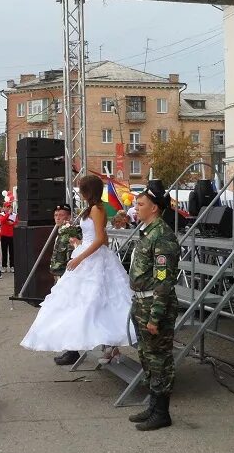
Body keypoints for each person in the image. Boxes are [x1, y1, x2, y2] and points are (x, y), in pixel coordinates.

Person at [20, 175, 133, 357]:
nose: (80, 193)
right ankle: (90, 345)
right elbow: (96, 238)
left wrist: (80, 257)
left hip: (91, 256)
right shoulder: (92, 208)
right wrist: (79, 245)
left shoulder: (97, 209)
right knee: (82, 299)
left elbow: (100, 239)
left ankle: (103, 343)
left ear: (89, 191)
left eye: (82, 189)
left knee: (93, 299)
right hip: (86, 251)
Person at [126, 180, 181, 432]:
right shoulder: (147, 231)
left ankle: (162, 412)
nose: (136, 208)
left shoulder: (163, 236)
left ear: (155, 208)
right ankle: (153, 406)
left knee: (159, 359)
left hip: (154, 305)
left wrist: (155, 316)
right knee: (147, 357)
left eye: (141, 204)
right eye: (136, 204)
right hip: (142, 302)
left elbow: (164, 278)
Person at [47, 204, 83, 365]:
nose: (58, 218)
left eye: (61, 215)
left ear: (68, 216)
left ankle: (72, 351)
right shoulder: (61, 231)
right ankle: (70, 349)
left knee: (69, 313)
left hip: (67, 278)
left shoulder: (71, 231)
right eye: (56, 215)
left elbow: (73, 256)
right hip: (60, 276)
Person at [0, 202, 16, 272]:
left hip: (12, 235)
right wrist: (8, 214)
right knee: (4, 251)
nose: (8, 208)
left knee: (12, 252)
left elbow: (17, 223)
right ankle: (4, 266)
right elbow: (1, 221)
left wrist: (12, 223)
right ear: (4, 208)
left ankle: (12, 266)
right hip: (4, 235)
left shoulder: (14, 215)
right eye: (7, 207)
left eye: (9, 207)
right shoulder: (1, 214)